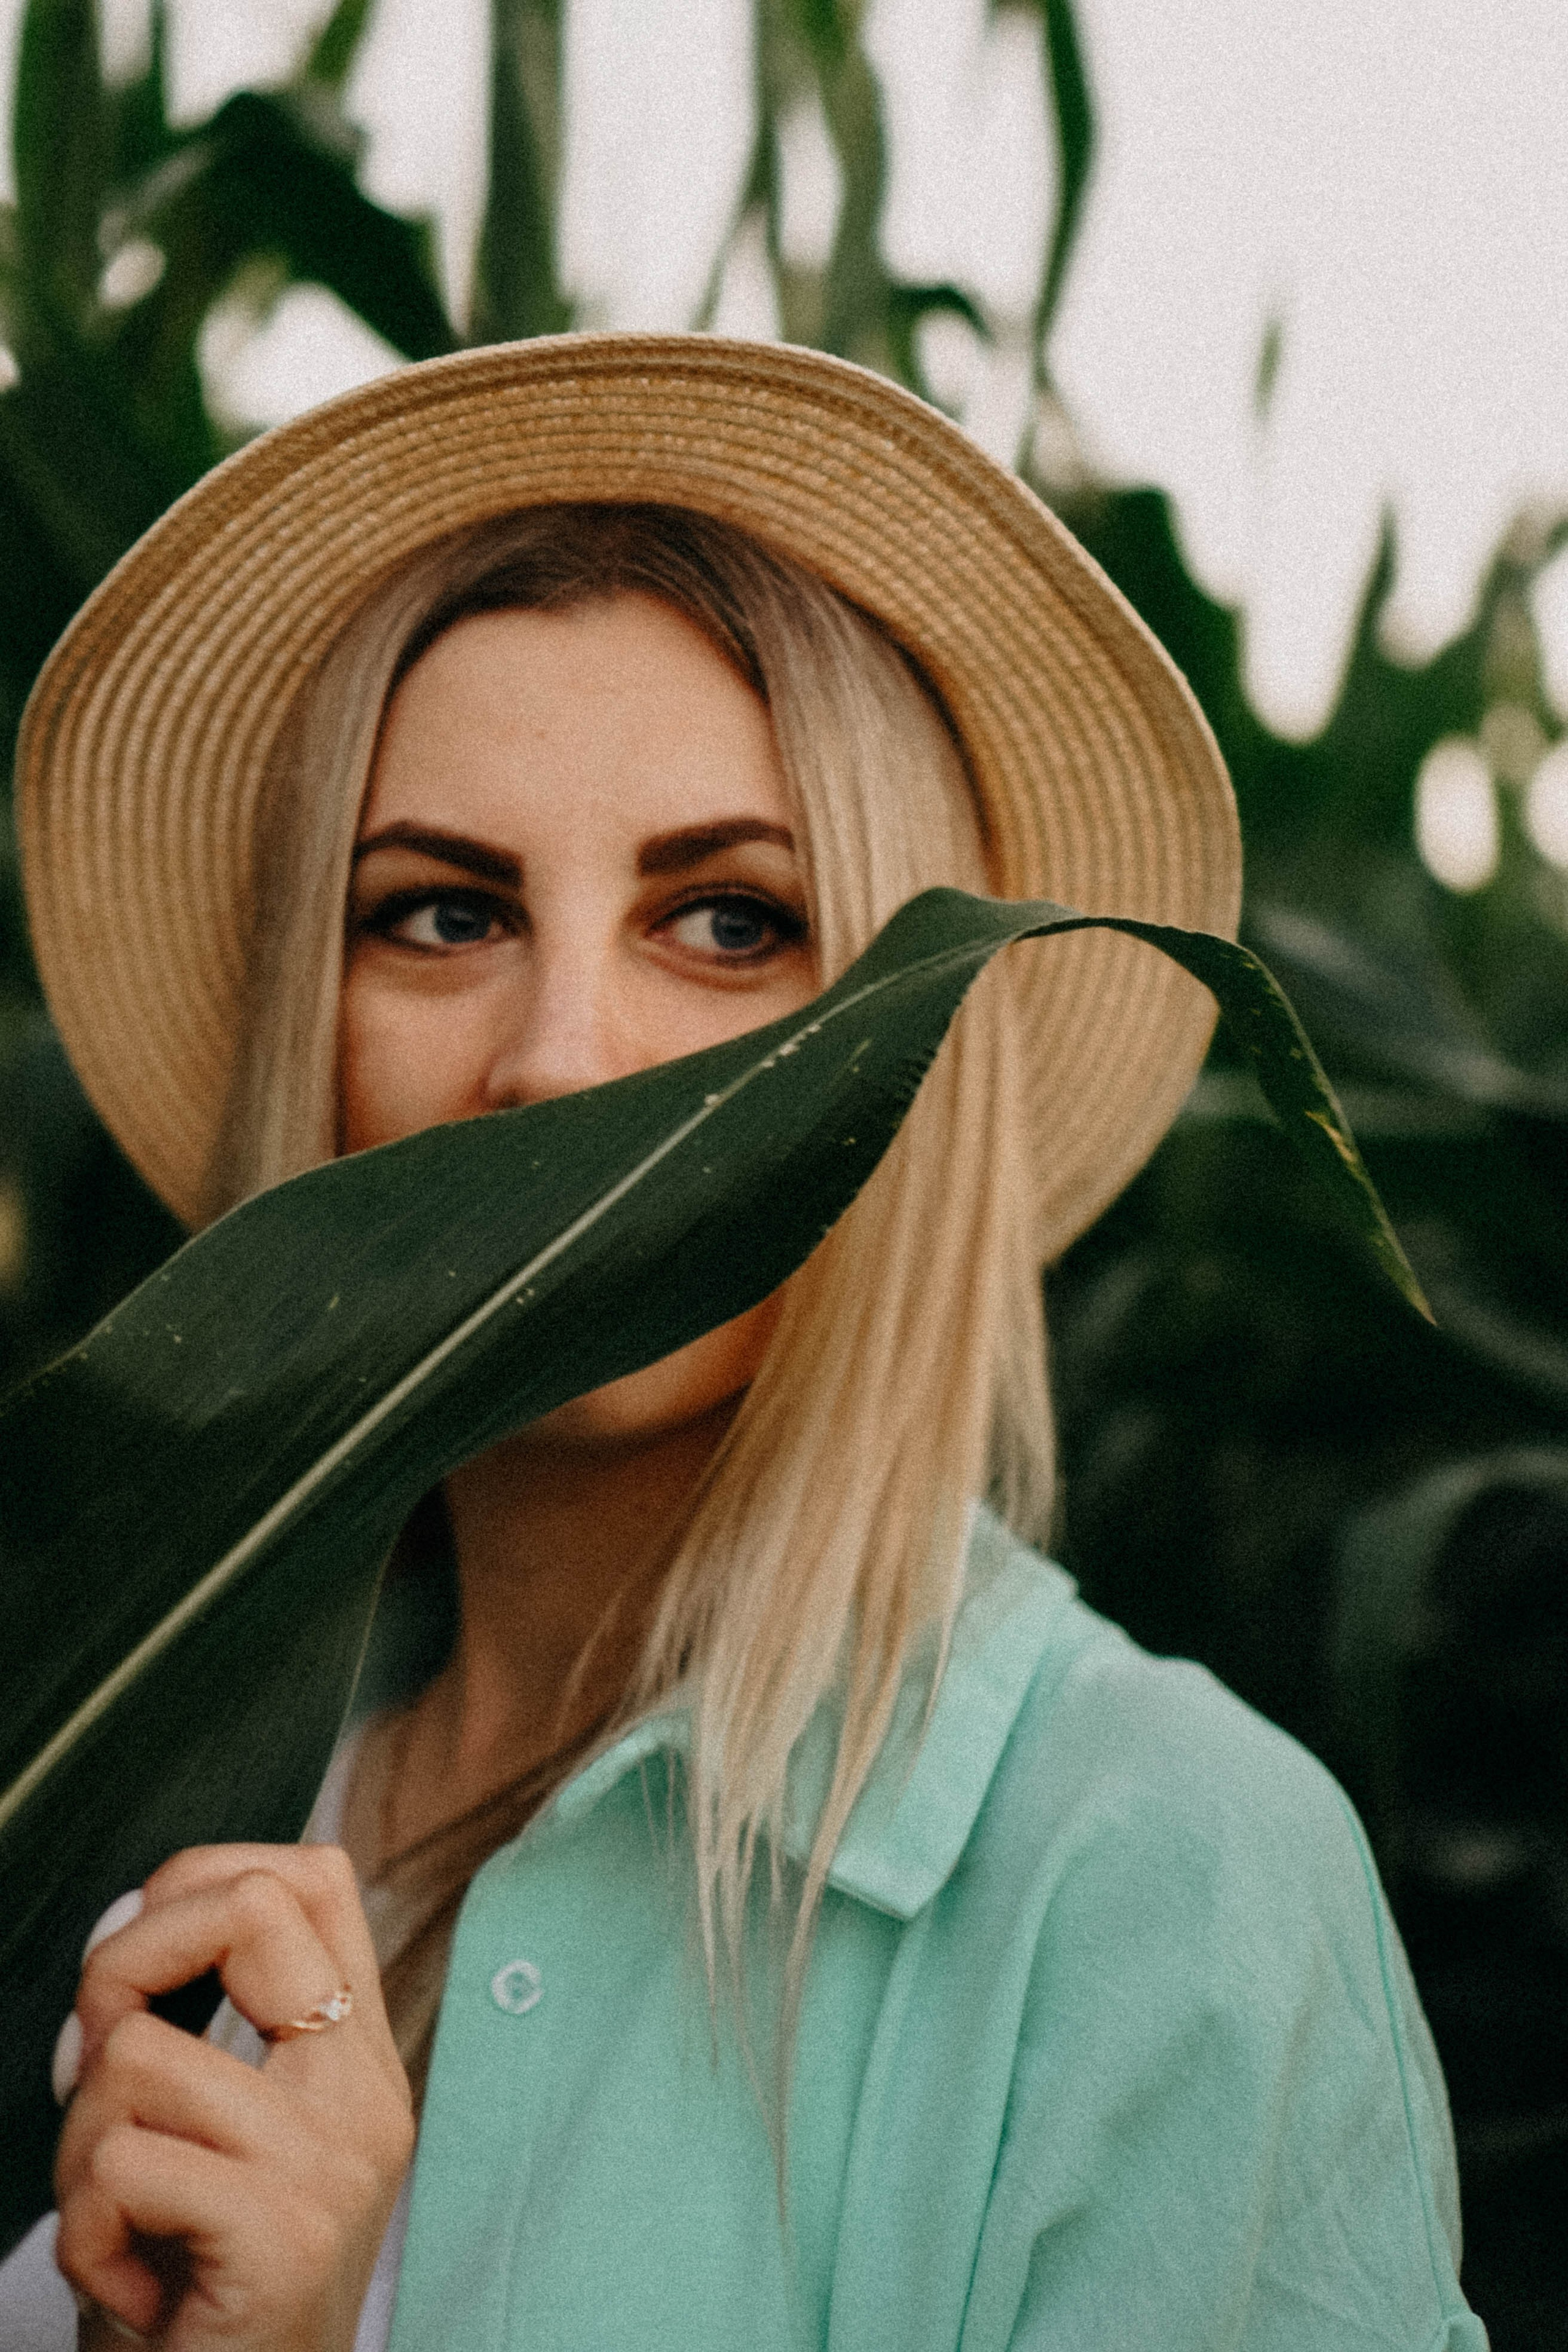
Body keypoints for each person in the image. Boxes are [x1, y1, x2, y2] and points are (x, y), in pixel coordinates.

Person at [0, 336, 1484, 2350]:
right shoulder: (105, 1778)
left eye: (729, 923)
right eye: (440, 914)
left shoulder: (1162, 1886)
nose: (558, 1060)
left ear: (903, 1052)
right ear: (309, 1038)